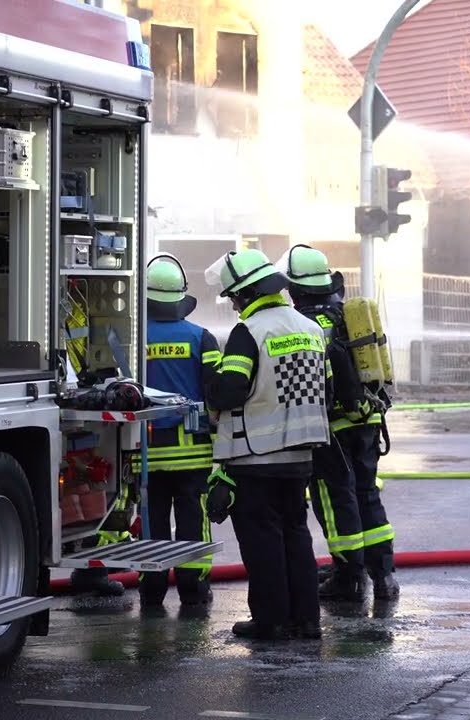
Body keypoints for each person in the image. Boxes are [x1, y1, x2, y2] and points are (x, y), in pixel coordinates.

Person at [203, 249, 330, 641]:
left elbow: (230, 390)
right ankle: (306, 621)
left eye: (234, 297)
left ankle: (271, 621)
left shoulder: (250, 332)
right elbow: (326, 385)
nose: (234, 305)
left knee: (263, 543)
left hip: (256, 457)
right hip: (301, 456)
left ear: (245, 294)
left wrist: (208, 376)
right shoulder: (309, 328)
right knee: (296, 534)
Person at [277, 245, 368, 601]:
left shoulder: (305, 323)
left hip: (328, 425)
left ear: (295, 287)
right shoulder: (344, 314)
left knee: (331, 498)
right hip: (362, 419)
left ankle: (347, 576)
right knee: (358, 494)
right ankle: (359, 567)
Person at [134, 253, 219, 611]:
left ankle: (151, 591)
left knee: (151, 525)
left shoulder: (132, 340)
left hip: (145, 455)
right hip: (193, 453)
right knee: (192, 523)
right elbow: (217, 395)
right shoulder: (202, 338)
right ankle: (193, 590)